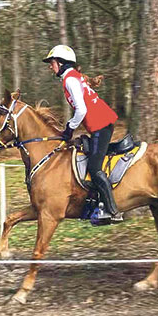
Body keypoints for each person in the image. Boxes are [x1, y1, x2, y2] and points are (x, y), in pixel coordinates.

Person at [43, 45, 123, 222]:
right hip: (100, 125)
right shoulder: (72, 77)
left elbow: (81, 109)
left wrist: (69, 129)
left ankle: (112, 211)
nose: (50, 66)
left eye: (52, 62)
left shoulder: (70, 80)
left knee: (94, 169)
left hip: (101, 125)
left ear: (61, 63)